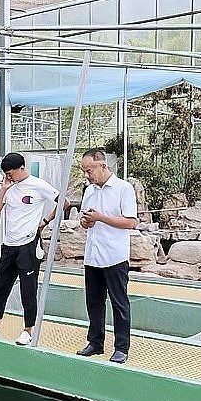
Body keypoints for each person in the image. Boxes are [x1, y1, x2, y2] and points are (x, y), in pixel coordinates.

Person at [0, 152, 59, 346]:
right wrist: (3, 189)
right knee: (0, 287)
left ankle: (28, 330)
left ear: (22, 168)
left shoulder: (39, 185)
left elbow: (64, 203)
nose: (9, 177)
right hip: (9, 245)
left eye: (11, 173)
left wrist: (45, 221)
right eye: (6, 174)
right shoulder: (8, 187)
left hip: (28, 245)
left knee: (28, 290)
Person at [76, 149, 137, 364]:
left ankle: (122, 347)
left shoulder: (123, 189)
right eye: (84, 171)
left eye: (89, 170)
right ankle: (95, 342)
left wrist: (101, 217)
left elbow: (130, 222)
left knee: (119, 303)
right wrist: (87, 222)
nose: (87, 175)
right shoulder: (89, 191)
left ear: (103, 166)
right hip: (93, 255)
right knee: (94, 302)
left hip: (115, 256)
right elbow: (84, 222)